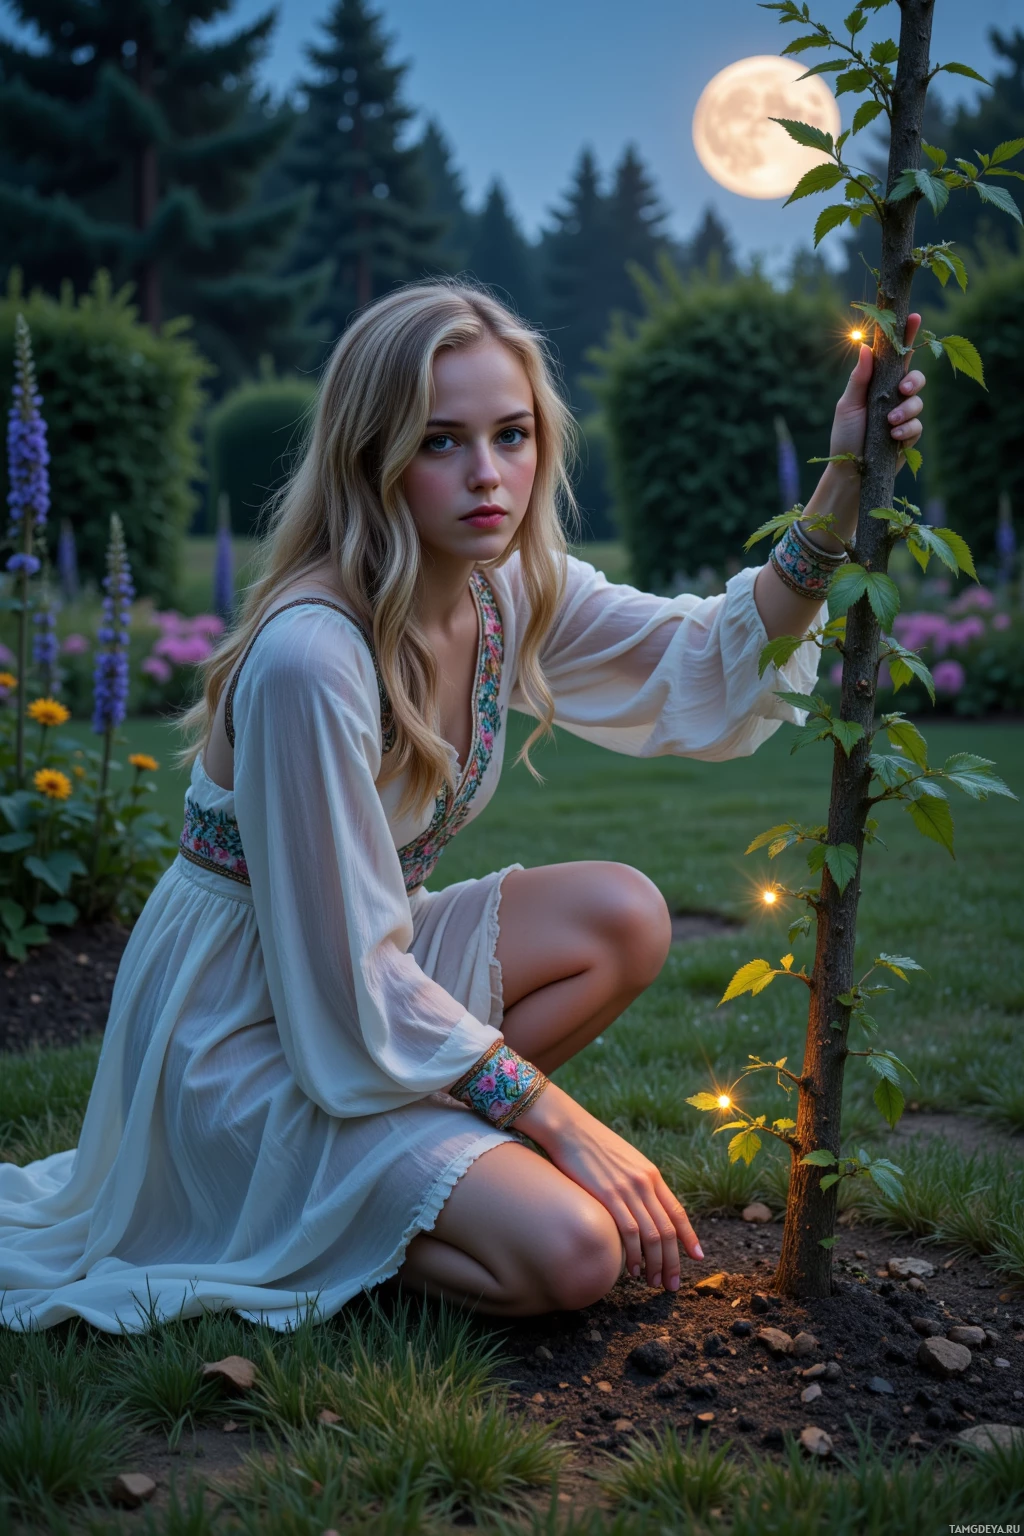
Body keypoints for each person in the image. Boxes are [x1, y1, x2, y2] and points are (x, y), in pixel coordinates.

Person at [0, 282, 925, 1331]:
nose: (489, 477)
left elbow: (703, 658)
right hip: (236, 1025)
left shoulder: (503, 589)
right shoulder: (313, 657)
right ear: (372, 454)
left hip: (358, 983)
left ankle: (408, 1160)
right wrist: (563, 1124)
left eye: (512, 435)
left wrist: (843, 480)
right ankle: (311, 1199)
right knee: (577, 1252)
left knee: (621, 916)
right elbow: (343, 968)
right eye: (441, 441)